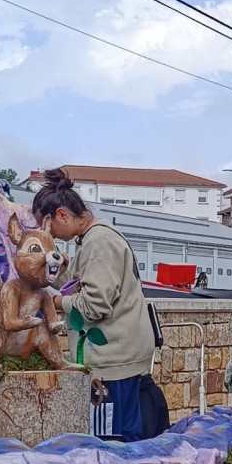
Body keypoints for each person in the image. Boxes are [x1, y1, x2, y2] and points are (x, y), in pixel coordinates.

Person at [32, 168, 157, 442]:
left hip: (114, 364)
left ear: (62, 215)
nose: (51, 236)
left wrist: (55, 302)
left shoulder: (99, 243)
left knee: (112, 445)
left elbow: (94, 304)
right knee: (119, 442)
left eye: (49, 228)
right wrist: (52, 262)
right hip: (118, 359)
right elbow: (76, 283)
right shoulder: (93, 239)